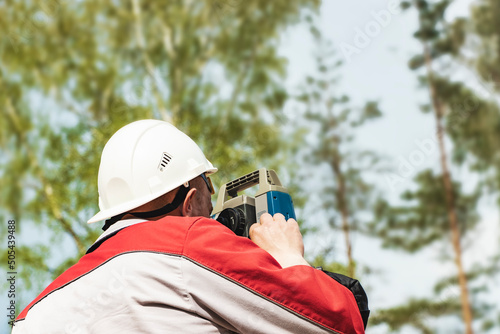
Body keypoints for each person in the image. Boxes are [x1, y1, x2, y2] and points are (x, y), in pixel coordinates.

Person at [13, 119, 368, 334]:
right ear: (189, 198)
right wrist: (289, 257)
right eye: (208, 195)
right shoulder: (187, 243)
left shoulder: (33, 314)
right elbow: (337, 322)